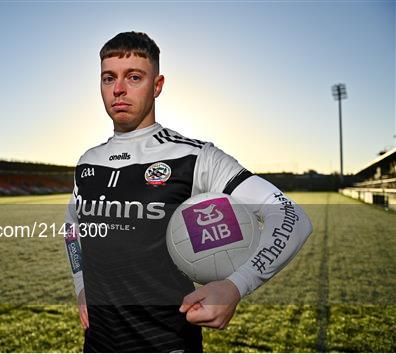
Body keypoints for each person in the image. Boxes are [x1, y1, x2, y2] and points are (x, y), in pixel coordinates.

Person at [64, 31, 313, 352]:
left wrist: (236, 286)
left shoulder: (195, 158)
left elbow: (290, 214)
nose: (119, 89)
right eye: (108, 78)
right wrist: (81, 285)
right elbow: (72, 224)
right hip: (98, 343)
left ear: (157, 85)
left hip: (167, 342)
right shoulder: (88, 162)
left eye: (134, 77)